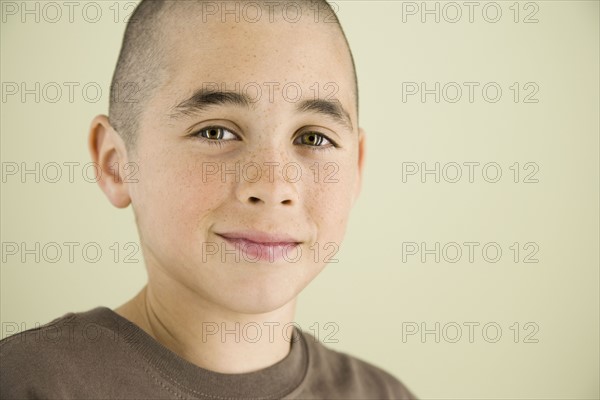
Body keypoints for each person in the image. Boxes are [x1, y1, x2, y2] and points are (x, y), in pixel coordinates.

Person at [0, 1, 417, 398]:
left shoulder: (385, 395)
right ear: (116, 164)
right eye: (215, 132)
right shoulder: (25, 384)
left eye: (313, 138)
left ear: (356, 169)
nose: (273, 186)